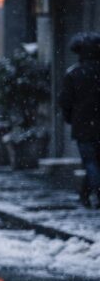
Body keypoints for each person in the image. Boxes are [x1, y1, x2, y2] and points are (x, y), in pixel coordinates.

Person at [59, 32, 100, 209]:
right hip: (92, 124)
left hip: (83, 126)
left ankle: (96, 193)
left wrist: (70, 118)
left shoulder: (74, 74)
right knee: (93, 162)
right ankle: (85, 195)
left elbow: (65, 101)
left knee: (90, 162)